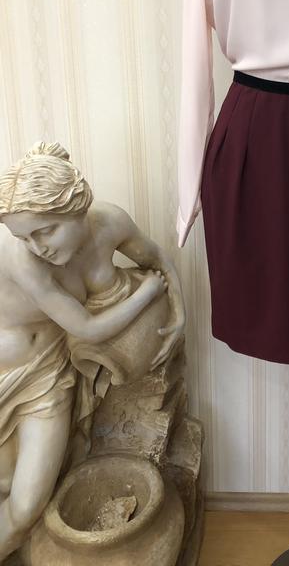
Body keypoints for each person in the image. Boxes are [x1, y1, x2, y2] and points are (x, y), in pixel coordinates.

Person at [0, 141, 184, 561]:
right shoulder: (24, 260)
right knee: (6, 487)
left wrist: (180, 314)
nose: (38, 247)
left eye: (45, 230)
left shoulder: (110, 222)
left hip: (45, 380)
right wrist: (148, 294)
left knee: (24, 505)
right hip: (6, 373)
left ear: (75, 206)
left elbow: (157, 258)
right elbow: (85, 327)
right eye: (24, 237)